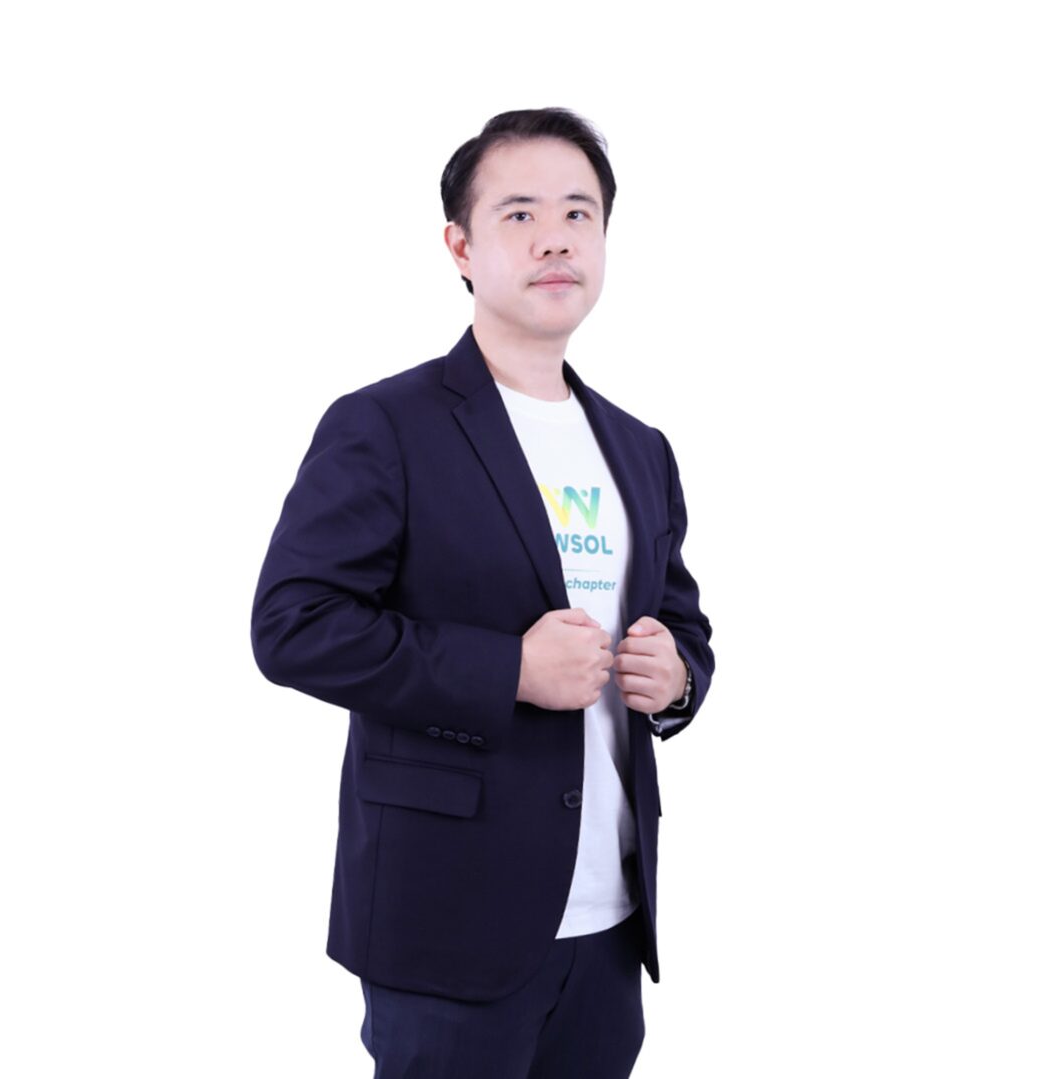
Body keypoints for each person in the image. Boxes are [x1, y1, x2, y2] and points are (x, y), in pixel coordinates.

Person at [250, 107, 715, 1079]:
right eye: (520, 214)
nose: (556, 238)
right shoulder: (386, 424)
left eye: (579, 214)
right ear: (460, 247)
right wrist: (508, 669)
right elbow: (294, 625)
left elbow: (683, 624)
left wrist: (675, 678)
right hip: (448, 919)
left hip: (611, 920)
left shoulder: (641, 448)